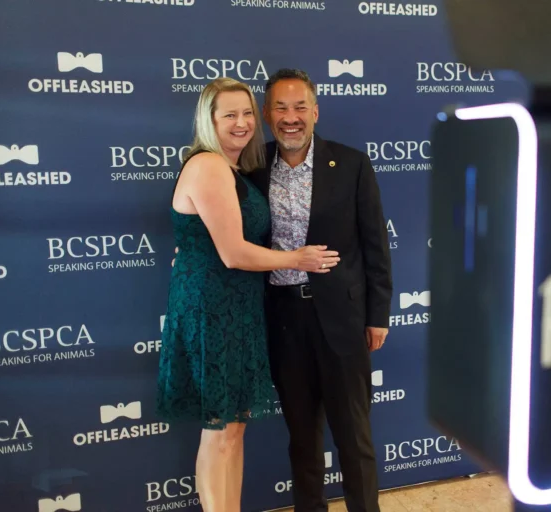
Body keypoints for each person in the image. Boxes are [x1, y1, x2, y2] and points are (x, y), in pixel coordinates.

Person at [156, 77, 341, 512]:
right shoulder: (209, 166)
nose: (241, 123)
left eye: (246, 113)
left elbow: (211, 240)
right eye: (229, 115)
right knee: (221, 432)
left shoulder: (232, 168)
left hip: (236, 306)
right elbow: (234, 252)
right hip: (213, 308)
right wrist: (298, 259)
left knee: (231, 429)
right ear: (209, 120)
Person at [250, 68, 392, 512]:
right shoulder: (251, 169)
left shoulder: (350, 164)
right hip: (283, 320)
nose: (290, 117)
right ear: (267, 114)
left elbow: (375, 244)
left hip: (343, 321)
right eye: (280, 107)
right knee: (302, 439)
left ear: (315, 111)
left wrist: (377, 315)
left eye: (299, 107)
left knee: (354, 438)